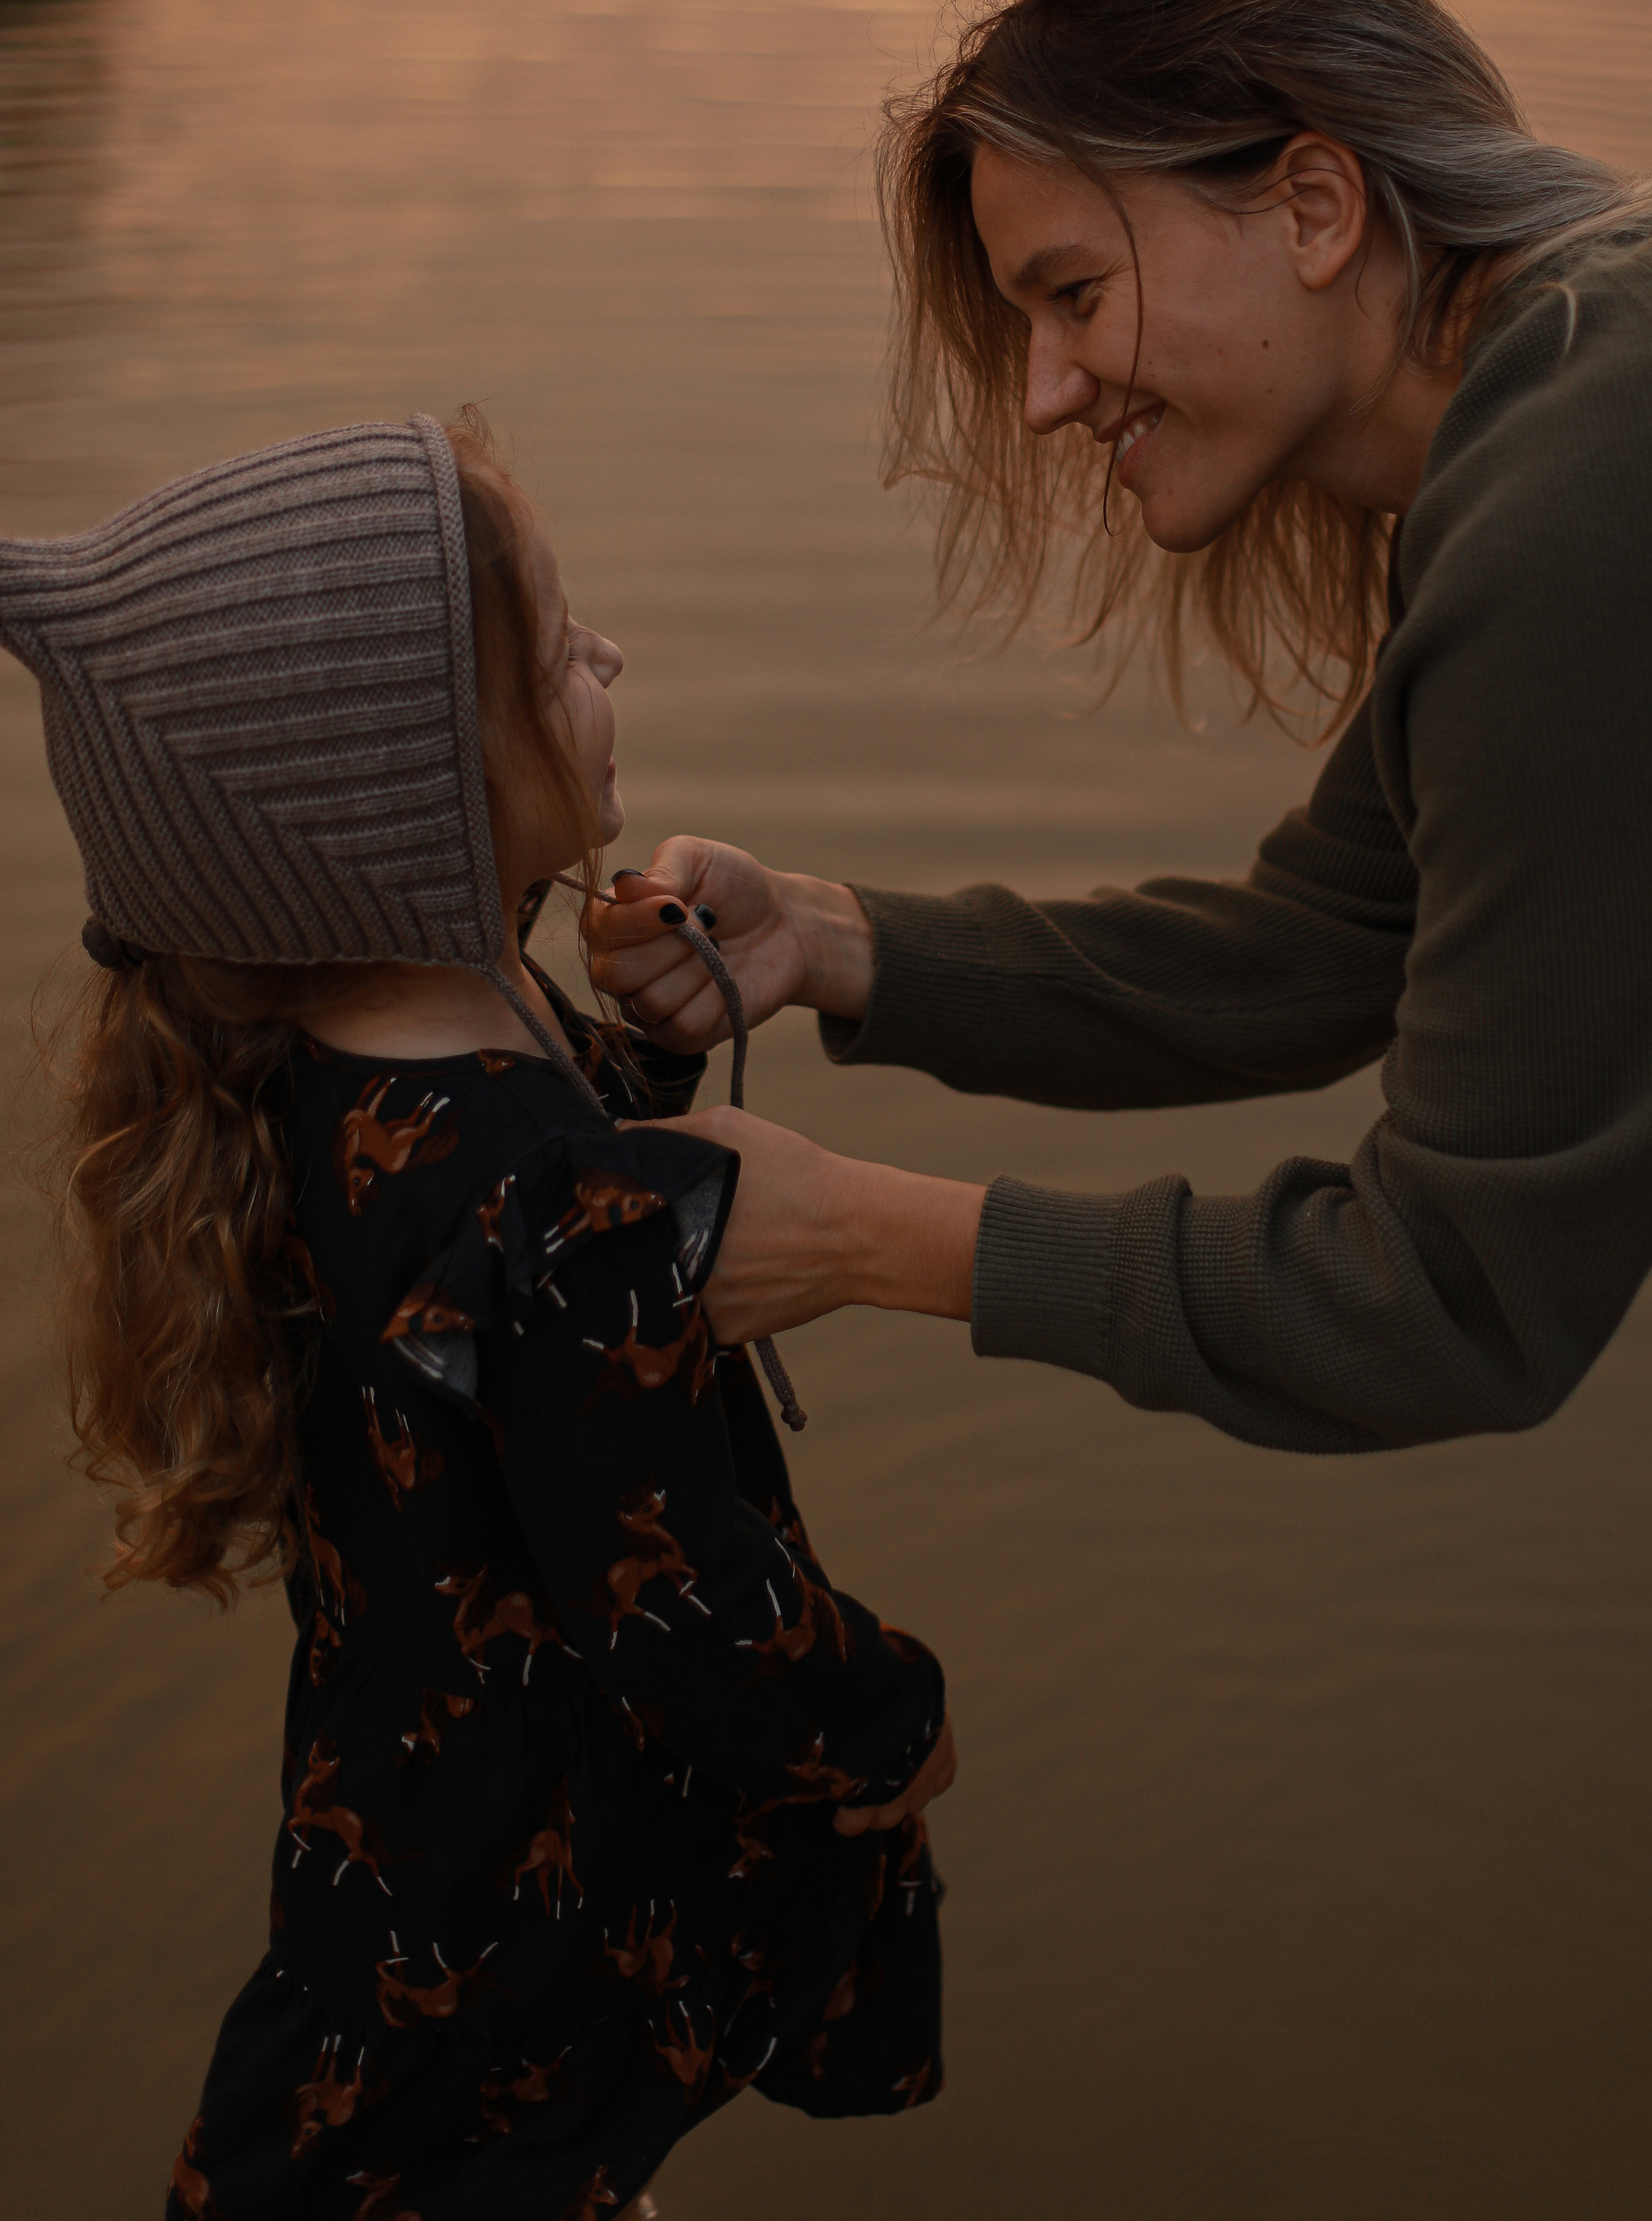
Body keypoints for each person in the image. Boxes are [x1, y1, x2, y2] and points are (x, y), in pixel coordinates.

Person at [584, 0, 1652, 2205]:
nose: (1045, 393)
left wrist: (856, 1245)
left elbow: (1454, 1303)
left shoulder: (1624, 474)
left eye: (1072, 294)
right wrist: (826, 942)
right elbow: (1336, 940)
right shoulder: (1590, 367)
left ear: (1313, 199)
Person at [5, 412, 951, 2221]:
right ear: (409, 792)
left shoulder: (329, 1066)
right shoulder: (541, 1198)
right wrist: (886, 1711)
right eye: (557, 649)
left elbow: (478, 1204)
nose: (609, 662)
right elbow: (671, 1595)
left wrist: (642, 1055)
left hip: (402, 1831)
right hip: (510, 1897)